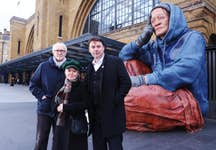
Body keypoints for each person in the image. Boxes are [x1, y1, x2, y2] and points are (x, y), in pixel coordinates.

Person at [119, 2, 208, 116]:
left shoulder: (193, 37)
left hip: (189, 101)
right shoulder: (154, 46)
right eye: (152, 21)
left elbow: (187, 69)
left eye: (161, 17)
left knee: (125, 100)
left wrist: (144, 80)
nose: (156, 22)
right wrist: (140, 41)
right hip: (161, 93)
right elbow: (124, 56)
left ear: (173, 19)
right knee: (129, 64)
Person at [85, 36, 131, 150]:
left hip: (112, 115)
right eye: (93, 47)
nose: (96, 49)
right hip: (96, 118)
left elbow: (126, 83)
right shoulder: (89, 67)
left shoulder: (115, 62)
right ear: (89, 50)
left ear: (104, 48)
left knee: (115, 146)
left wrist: (116, 99)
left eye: (98, 46)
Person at [29, 42, 67, 150]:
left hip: (61, 110)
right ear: (53, 52)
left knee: (59, 140)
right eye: (57, 50)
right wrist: (42, 96)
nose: (59, 52)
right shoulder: (43, 66)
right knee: (41, 139)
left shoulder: (70, 67)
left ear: (66, 52)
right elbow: (33, 85)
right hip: (44, 109)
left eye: (62, 50)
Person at [53, 59, 88, 150]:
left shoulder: (82, 86)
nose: (71, 73)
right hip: (61, 123)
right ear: (65, 72)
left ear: (78, 73)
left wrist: (66, 107)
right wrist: (56, 108)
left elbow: (86, 104)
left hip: (76, 123)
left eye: (74, 71)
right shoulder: (60, 85)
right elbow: (54, 102)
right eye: (69, 71)